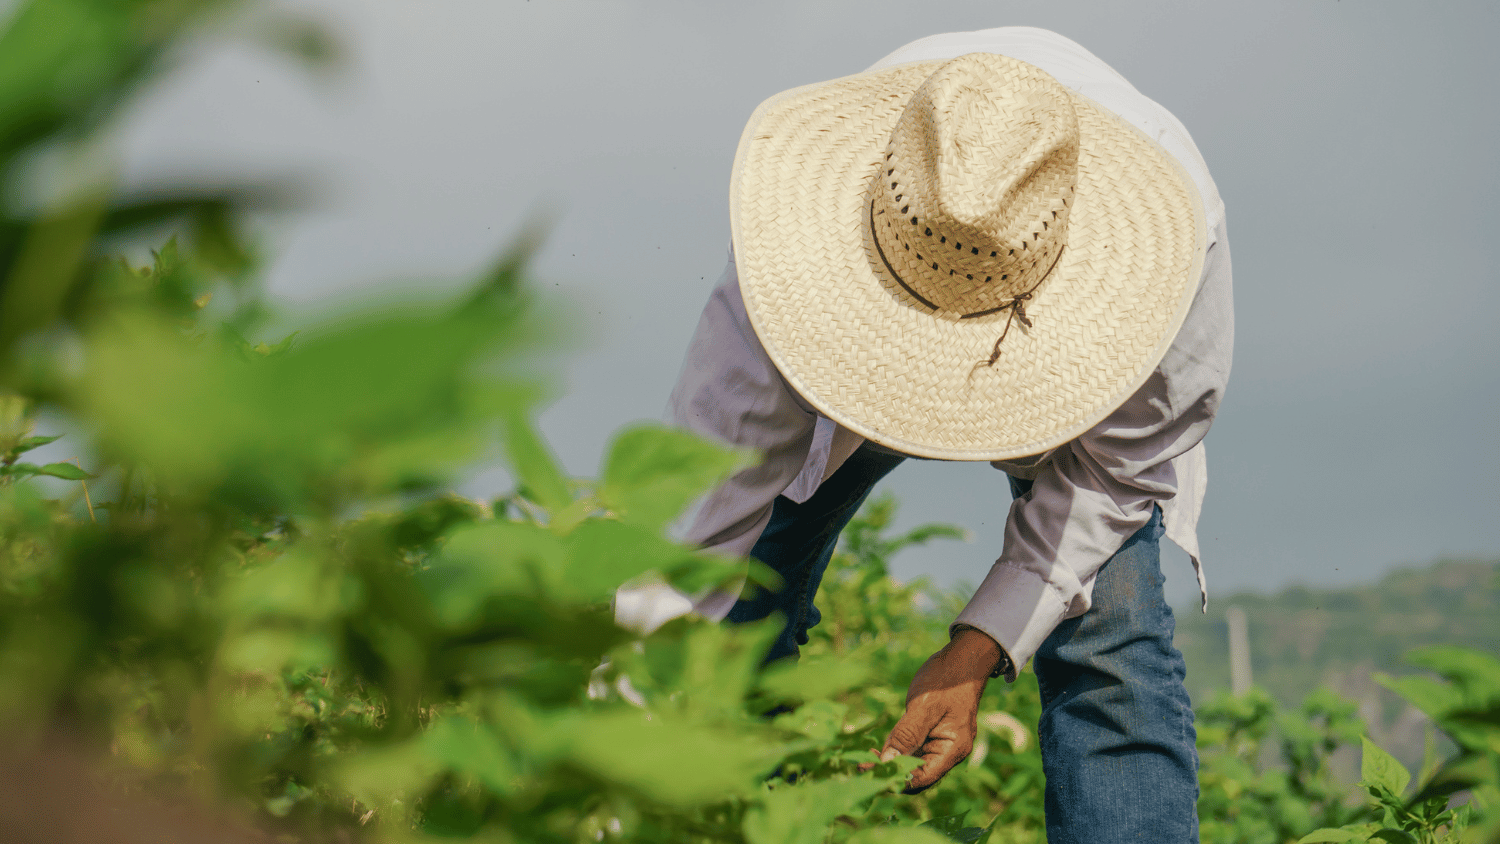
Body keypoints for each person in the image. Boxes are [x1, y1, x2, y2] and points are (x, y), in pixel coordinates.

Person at [616, 26, 1232, 844]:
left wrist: (977, 650)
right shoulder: (785, 270)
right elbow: (691, 539)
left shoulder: (1170, 271)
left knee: (1111, 649)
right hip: (843, 361)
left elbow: (1117, 480)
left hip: (1078, 411)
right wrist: (597, 767)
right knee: (746, 594)